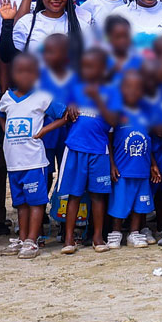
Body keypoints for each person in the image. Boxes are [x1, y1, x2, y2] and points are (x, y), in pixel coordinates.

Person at [0, 53, 72, 258]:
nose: (25, 76)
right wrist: (6, 131)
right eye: (20, 71)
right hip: (14, 163)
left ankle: (32, 240)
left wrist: (43, 132)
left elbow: (65, 115)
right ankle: (22, 239)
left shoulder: (42, 96)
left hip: (33, 161)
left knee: (36, 202)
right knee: (20, 203)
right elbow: (1, 114)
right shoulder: (6, 98)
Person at [59, 48, 115, 254]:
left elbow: (113, 121)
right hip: (76, 148)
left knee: (98, 196)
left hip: (99, 150)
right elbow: (63, 111)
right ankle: (68, 238)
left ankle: (98, 236)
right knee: (73, 195)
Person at [106, 70, 162, 249]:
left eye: (137, 88)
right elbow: (108, 140)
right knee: (120, 201)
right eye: (128, 87)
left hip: (142, 168)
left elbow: (148, 141)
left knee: (141, 203)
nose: (133, 91)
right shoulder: (116, 113)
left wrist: (153, 165)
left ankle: (134, 232)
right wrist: (112, 164)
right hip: (123, 169)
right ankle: (115, 232)